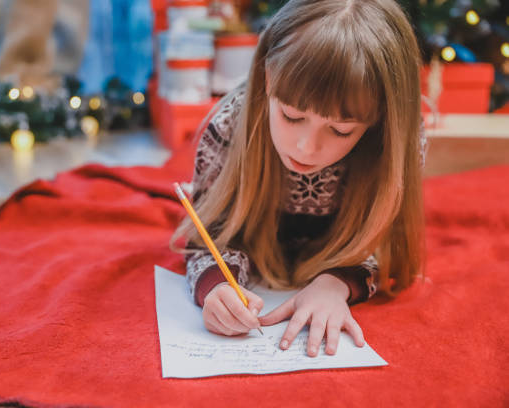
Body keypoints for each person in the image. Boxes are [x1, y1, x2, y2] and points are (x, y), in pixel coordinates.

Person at [171, 0, 427, 358]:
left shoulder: (397, 145)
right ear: (267, 77)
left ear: (379, 120)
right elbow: (207, 234)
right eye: (291, 116)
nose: (307, 148)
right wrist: (215, 287)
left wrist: (337, 283)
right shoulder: (230, 126)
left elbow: (389, 244)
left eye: (340, 130)